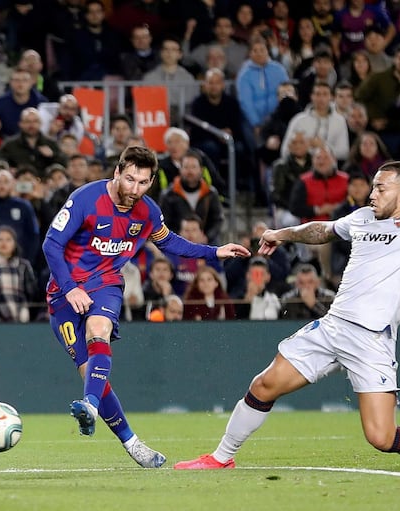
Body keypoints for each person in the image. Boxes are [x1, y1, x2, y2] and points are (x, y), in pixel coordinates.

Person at [175, 160, 400, 470]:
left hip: (372, 339)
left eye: (381, 188)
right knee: (263, 385)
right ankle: (222, 457)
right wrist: (282, 234)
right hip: (332, 327)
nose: (372, 194)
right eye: (374, 188)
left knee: (381, 437)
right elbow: (322, 231)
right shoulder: (363, 218)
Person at [42, 145, 250, 468]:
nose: (133, 189)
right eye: (129, 180)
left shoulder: (148, 212)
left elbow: (170, 243)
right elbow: (51, 244)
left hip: (106, 285)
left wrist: (214, 252)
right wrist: (69, 289)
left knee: (100, 329)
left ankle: (91, 406)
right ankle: (130, 441)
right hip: (63, 293)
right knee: (91, 374)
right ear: (117, 173)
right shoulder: (85, 199)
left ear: (151, 182)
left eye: (142, 183)